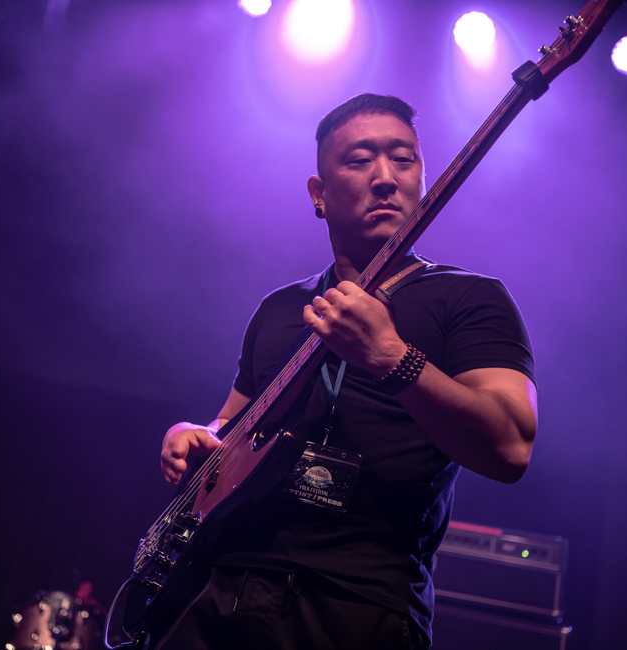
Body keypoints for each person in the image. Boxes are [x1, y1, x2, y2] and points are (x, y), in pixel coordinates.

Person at [155, 94, 537, 649]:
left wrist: (392, 358)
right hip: (219, 590)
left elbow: (510, 448)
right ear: (319, 194)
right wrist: (193, 435)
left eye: (403, 159)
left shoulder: (472, 298)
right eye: (360, 160)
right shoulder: (280, 308)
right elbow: (229, 428)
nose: (385, 178)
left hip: (359, 605)